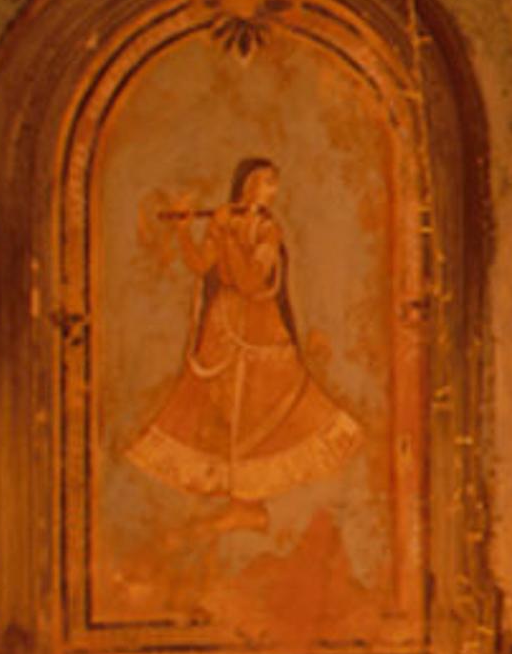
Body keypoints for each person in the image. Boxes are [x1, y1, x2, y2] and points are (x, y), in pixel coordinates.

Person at [123, 156, 364, 513]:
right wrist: (184, 230)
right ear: (248, 185)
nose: (273, 190)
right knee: (218, 407)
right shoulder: (227, 220)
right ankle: (240, 504)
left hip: (260, 325)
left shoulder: (268, 229)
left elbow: (252, 281)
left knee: (268, 403)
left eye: (274, 183)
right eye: (268, 182)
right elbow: (201, 265)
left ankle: (251, 504)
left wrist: (224, 234)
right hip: (223, 324)